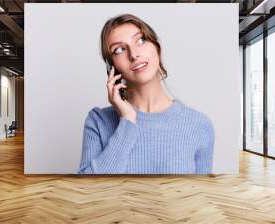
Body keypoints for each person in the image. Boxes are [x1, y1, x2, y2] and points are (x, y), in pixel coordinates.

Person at [78, 14, 214, 174]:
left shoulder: (199, 124)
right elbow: (89, 191)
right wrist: (128, 120)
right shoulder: (98, 122)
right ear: (111, 68)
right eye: (119, 49)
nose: (133, 54)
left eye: (141, 40)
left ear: (157, 47)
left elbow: (199, 196)